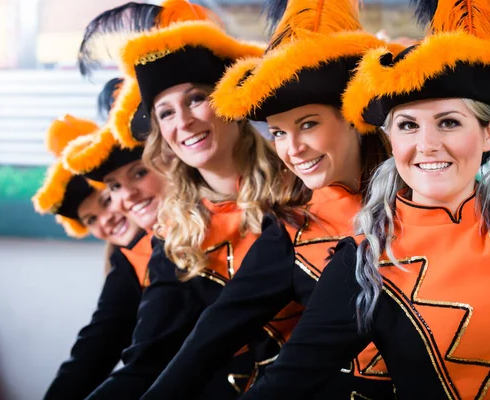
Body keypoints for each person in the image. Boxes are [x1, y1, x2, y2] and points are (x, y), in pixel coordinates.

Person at [237, 0, 490, 398]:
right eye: (408, 125)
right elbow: (284, 383)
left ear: (489, 133)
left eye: (448, 122)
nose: (427, 145)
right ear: (392, 140)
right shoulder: (362, 265)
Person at [142, 0, 400, 398]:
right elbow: (215, 336)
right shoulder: (293, 227)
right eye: (278, 132)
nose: (292, 148)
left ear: (352, 116)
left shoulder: (428, 198)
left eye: (308, 124)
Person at [80, 4, 301, 399]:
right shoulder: (176, 233)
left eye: (196, 99)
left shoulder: (302, 188)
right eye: (165, 113)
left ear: (228, 103)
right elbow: (148, 359)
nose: (182, 122)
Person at [33, 114, 144, 400]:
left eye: (107, 201)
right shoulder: (125, 264)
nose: (105, 221)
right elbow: (96, 345)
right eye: (91, 219)